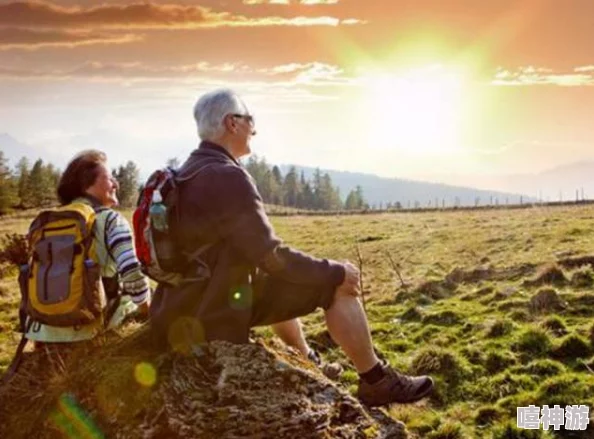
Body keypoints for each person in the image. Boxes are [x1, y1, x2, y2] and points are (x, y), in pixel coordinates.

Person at [149, 89, 434, 406]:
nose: (253, 128)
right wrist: (334, 270)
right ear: (232, 123)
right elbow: (271, 256)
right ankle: (376, 381)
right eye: (250, 119)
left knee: (278, 279)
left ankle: (307, 360)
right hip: (212, 314)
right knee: (336, 287)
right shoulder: (227, 176)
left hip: (177, 309)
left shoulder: (185, 173)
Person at [24, 150, 151, 344]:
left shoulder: (49, 221)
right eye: (110, 178)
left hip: (44, 329)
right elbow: (132, 274)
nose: (116, 183)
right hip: (91, 329)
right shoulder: (111, 220)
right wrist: (147, 311)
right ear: (87, 185)